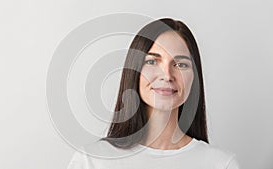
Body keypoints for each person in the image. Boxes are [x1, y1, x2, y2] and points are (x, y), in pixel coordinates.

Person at [67, 18, 240, 169]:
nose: (167, 75)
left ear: (194, 78)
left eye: (181, 65)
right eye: (152, 61)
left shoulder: (220, 164)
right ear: (134, 71)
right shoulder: (92, 161)